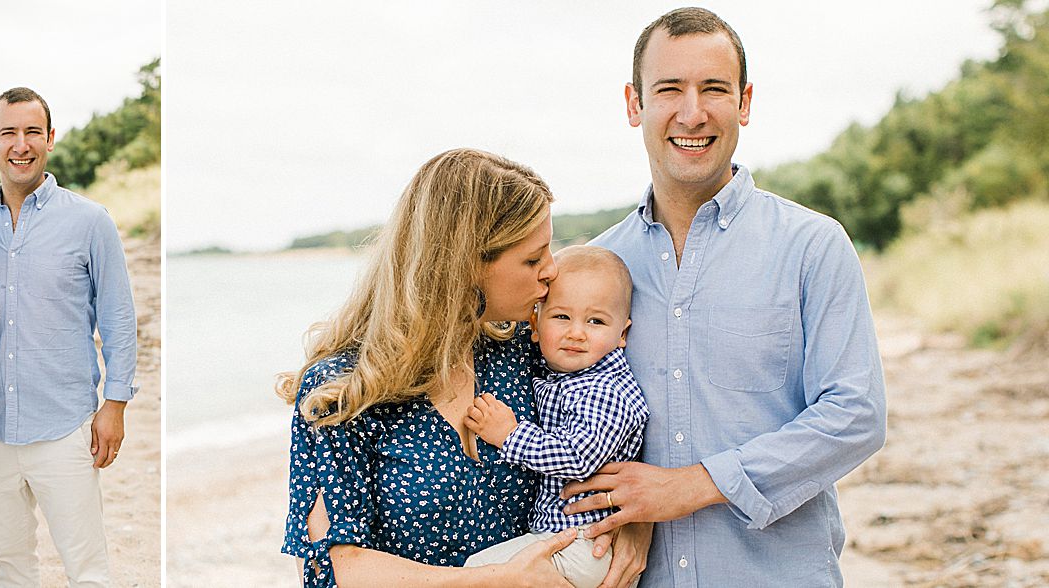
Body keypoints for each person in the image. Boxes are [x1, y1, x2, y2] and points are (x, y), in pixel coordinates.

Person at [567, 8, 887, 586]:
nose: (693, 113)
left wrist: (689, 487)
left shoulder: (813, 247)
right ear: (634, 103)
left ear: (744, 102)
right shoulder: (595, 270)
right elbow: (564, 417)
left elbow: (855, 416)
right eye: (669, 90)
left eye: (714, 89)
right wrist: (626, 512)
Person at [279, 148, 649, 588]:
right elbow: (333, 565)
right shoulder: (344, 390)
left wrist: (636, 527)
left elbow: (617, 429)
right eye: (533, 259)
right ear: (465, 266)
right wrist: (498, 580)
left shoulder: (524, 354)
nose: (552, 271)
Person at [0, 86, 138, 587]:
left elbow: (118, 318)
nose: (21, 144)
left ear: (50, 139)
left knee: (87, 570)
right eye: (9, 133)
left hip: (66, 428)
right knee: (12, 566)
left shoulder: (90, 222)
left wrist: (116, 404)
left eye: (32, 132)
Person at [462, 245, 649, 588]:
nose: (576, 332)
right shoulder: (561, 374)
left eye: (596, 321)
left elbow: (578, 457)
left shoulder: (605, 391)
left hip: (590, 544)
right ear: (535, 324)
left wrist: (508, 435)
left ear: (622, 334)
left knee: (479, 573)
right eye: (561, 317)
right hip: (566, 539)